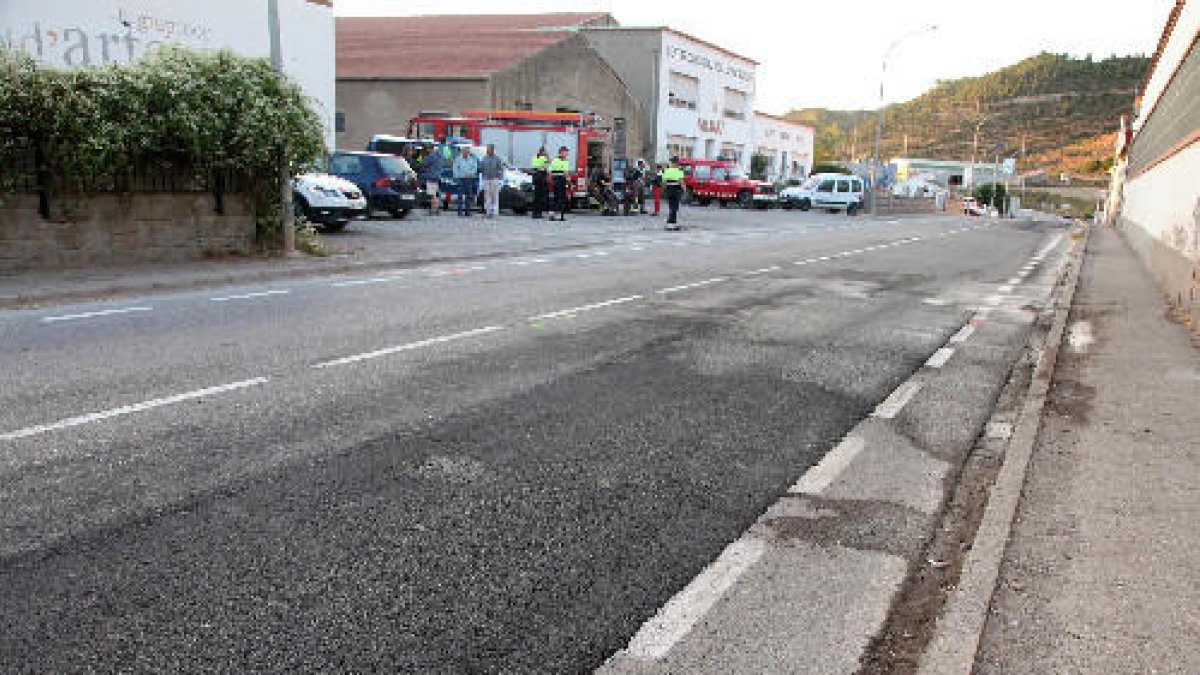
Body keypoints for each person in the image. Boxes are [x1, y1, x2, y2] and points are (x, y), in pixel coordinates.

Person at [451, 145, 478, 217]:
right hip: (460, 179)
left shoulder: (472, 159)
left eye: (467, 151)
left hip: (469, 179)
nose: (466, 152)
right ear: (462, 152)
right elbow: (455, 169)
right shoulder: (458, 159)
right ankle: (460, 212)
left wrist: (471, 174)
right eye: (465, 151)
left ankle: (467, 211)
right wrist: (457, 177)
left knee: (468, 196)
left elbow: (474, 168)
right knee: (460, 196)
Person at [479, 144, 504, 218]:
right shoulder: (484, 158)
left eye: (489, 149)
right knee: (487, 195)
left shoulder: (497, 159)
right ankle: (487, 211)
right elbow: (481, 168)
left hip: (494, 179)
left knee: (495, 196)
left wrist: (499, 178)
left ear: (493, 150)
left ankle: (495, 212)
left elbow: (500, 169)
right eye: (487, 149)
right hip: (486, 179)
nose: (487, 150)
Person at [419, 144, 444, 216]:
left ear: (429, 149)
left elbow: (423, 165)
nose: (427, 151)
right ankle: (437, 208)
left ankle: (434, 210)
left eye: (427, 149)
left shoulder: (430, 156)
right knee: (436, 193)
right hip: (438, 176)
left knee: (432, 194)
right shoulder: (440, 156)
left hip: (431, 176)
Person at [662, 156, 685, 230]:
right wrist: (684, 189)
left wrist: (665, 190)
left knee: (671, 207)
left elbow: (664, 182)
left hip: (668, 189)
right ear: (677, 163)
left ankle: (673, 223)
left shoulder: (666, 170)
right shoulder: (679, 171)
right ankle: (670, 223)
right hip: (676, 190)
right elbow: (681, 182)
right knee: (674, 207)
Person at [549, 146, 571, 222]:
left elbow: (550, 172)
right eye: (565, 152)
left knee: (555, 197)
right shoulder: (564, 161)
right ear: (561, 152)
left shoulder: (554, 160)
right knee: (561, 198)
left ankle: (552, 215)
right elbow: (565, 172)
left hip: (555, 179)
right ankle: (559, 215)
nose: (567, 154)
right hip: (561, 179)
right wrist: (568, 181)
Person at [530, 147, 549, 219]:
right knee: (538, 196)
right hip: (539, 177)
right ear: (542, 152)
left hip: (539, 177)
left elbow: (548, 163)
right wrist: (546, 157)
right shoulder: (539, 158)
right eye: (545, 152)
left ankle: (537, 213)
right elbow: (539, 167)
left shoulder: (539, 158)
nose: (546, 153)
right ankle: (537, 213)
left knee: (539, 196)